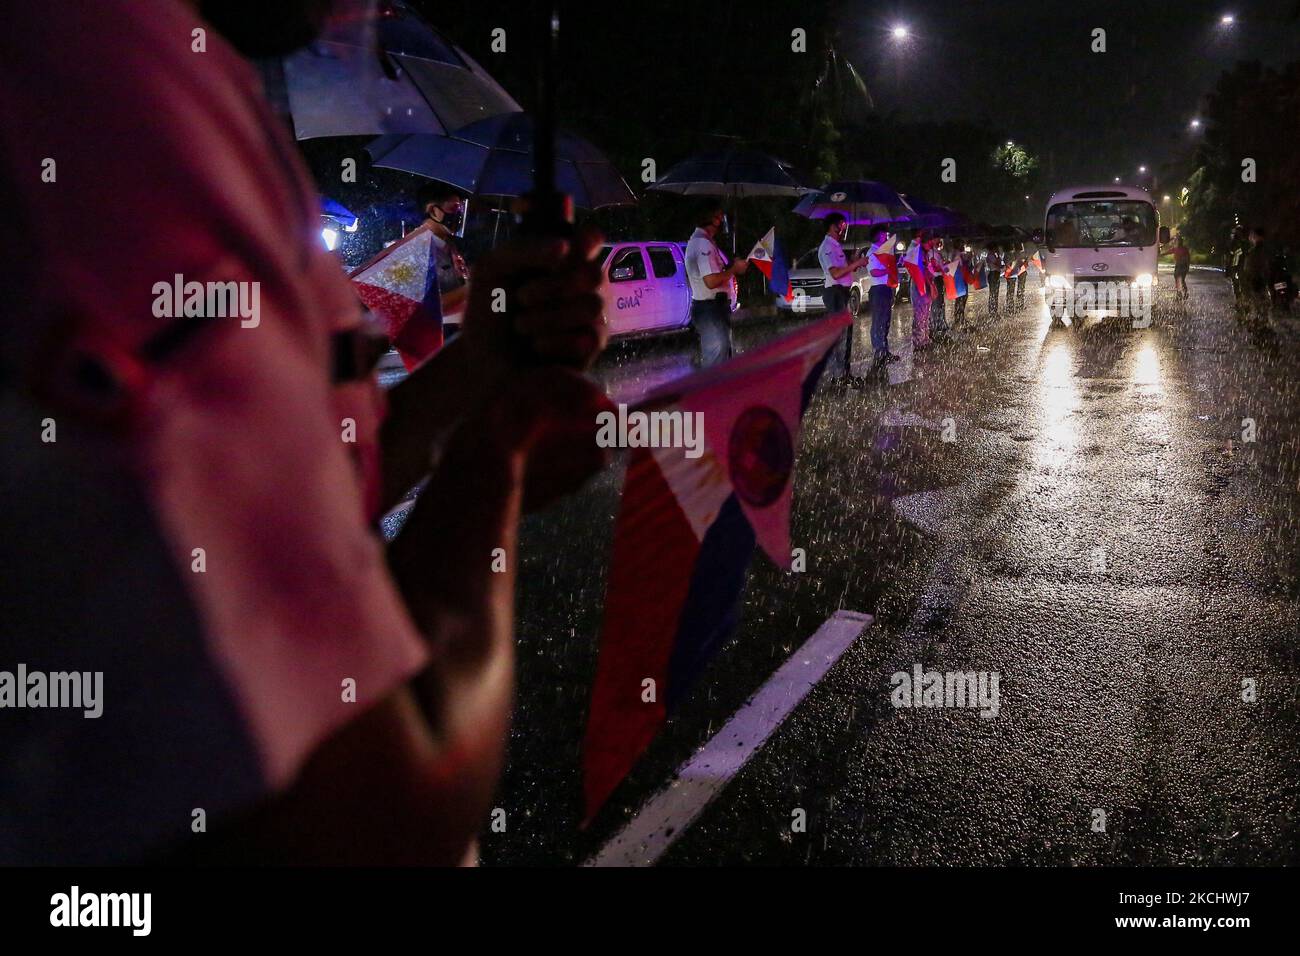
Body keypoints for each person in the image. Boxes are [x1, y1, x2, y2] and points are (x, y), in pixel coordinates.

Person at [1, 0, 613, 865]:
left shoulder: (190, 73)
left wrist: (479, 368)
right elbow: (381, 822)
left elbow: (317, 494)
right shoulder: (99, 82)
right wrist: (499, 453)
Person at [684, 201, 748, 367]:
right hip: (710, 309)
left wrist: (730, 267)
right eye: (719, 217)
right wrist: (734, 269)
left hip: (712, 308)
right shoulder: (702, 243)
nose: (721, 221)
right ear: (710, 219)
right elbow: (711, 281)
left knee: (721, 359)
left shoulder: (702, 241)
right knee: (717, 363)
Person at [818, 213, 870, 379]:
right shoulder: (827, 247)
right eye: (841, 225)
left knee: (846, 335)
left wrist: (852, 261)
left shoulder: (836, 245)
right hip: (835, 293)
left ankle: (844, 373)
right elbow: (836, 274)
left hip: (843, 293)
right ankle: (839, 376)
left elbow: (844, 268)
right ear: (833, 227)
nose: (844, 229)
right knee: (839, 336)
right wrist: (856, 263)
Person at [416, 181, 471, 331]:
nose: (458, 216)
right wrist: (470, 288)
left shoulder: (449, 246)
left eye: (460, 210)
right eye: (454, 209)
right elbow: (424, 307)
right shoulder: (417, 250)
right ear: (434, 211)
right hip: (436, 336)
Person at [865, 225, 902, 365]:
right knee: (879, 322)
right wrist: (889, 269)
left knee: (885, 322)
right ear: (876, 236)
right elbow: (874, 272)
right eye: (882, 235)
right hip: (878, 289)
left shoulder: (882, 251)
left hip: (886, 288)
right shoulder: (872, 252)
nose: (885, 238)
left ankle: (884, 351)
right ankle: (879, 353)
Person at [1241, 226, 1271, 317]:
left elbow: (1251, 268)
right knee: (1263, 302)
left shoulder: (1255, 251)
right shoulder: (1264, 249)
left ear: (1257, 237)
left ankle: (1260, 321)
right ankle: (1263, 320)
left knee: (1258, 302)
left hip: (1257, 280)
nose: (1250, 237)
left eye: (1252, 235)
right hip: (1262, 280)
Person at [1226, 225, 1249, 304]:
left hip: (1240, 267)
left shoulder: (1243, 243)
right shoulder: (1236, 242)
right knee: (1237, 285)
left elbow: (1234, 254)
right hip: (1237, 266)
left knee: (1240, 285)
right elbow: (1231, 254)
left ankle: (1242, 302)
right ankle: (1240, 302)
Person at [1169, 235, 1191, 299]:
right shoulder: (1176, 249)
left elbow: (1187, 258)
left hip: (1182, 266)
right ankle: (1180, 293)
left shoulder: (1183, 249)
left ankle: (1183, 293)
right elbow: (1168, 252)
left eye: (1177, 241)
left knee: (1181, 280)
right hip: (1179, 266)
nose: (1177, 242)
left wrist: (1187, 266)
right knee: (1178, 279)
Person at [985, 243, 1003, 317]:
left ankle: (993, 310)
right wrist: (998, 255)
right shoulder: (991, 255)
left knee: (994, 293)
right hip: (993, 274)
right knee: (993, 293)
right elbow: (998, 263)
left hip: (994, 274)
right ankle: (993, 311)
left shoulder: (992, 255)